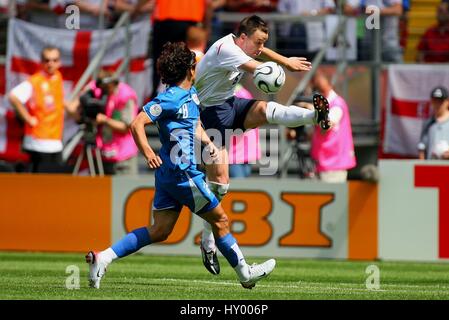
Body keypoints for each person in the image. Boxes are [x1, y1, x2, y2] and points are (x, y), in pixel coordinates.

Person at [85, 42, 276, 289]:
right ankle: (245, 275)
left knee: (161, 230)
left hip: (169, 174)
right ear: (188, 70)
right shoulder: (171, 98)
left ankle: (103, 258)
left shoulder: (190, 94)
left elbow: (193, 124)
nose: (198, 66)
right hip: (182, 172)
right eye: (194, 64)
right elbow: (137, 123)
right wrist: (147, 152)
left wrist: (208, 142)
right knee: (221, 221)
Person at [194, 15, 331, 275]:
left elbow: (259, 51)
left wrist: (284, 61)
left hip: (228, 104)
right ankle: (208, 240)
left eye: (263, 42)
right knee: (221, 184)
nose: (260, 47)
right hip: (206, 115)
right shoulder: (226, 50)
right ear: (242, 38)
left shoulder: (242, 43)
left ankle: (314, 116)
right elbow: (257, 67)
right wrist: (277, 69)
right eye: (257, 41)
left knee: (267, 109)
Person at [8, 46, 77, 173]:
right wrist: (28, 118)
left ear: (59, 62)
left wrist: (68, 106)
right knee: (40, 183)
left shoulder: (57, 77)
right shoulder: (36, 81)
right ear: (42, 62)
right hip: (38, 141)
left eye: (54, 60)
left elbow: (54, 100)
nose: (50, 63)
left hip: (55, 139)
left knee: (54, 182)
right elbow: (13, 96)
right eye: (47, 60)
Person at [133, 0, 212, 99]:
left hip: (164, 20)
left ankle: (158, 95)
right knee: (187, 61)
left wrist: (135, 10)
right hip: (190, 19)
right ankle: (186, 95)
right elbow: (209, 4)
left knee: (161, 61)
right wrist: (207, 27)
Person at [78, 69, 140, 175]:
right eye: (102, 88)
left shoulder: (125, 95)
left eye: (107, 87)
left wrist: (104, 120)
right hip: (101, 153)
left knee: (123, 190)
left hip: (122, 157)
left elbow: (127, 127)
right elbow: (85, 96)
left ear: (114, 83)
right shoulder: (98, 89)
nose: (105, 90)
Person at [310, 70, 356, 183]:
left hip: (334, 164)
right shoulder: (324, 103)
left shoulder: (337, 104)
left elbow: (329, 123)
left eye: (322, 89)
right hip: (322, 162)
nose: (320, 92)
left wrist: (311, 111)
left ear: (330, 85)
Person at [418, 86, 449, 160]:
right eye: (435, 100)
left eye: (440, 101)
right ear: (431, 101)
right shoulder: (428, 123)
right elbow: (422, 147)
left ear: (447, 102)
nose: (437, 104)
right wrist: (422, 166)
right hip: (431, 168)